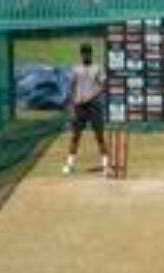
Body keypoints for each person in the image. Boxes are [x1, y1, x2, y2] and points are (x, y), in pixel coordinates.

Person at [63, 43, 110, 176]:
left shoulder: (97, 68)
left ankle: (106, 165)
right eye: (83, 52)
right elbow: (72, 87)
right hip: (80, 106)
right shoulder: (76, 69)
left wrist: (90, 96)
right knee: (75, 136)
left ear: (91, 54)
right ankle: (69, 164)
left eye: (88, 52)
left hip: (94, 105)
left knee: (99, 136)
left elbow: (103, 86)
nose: (86, 55)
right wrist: (72, 104)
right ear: (81, 54)